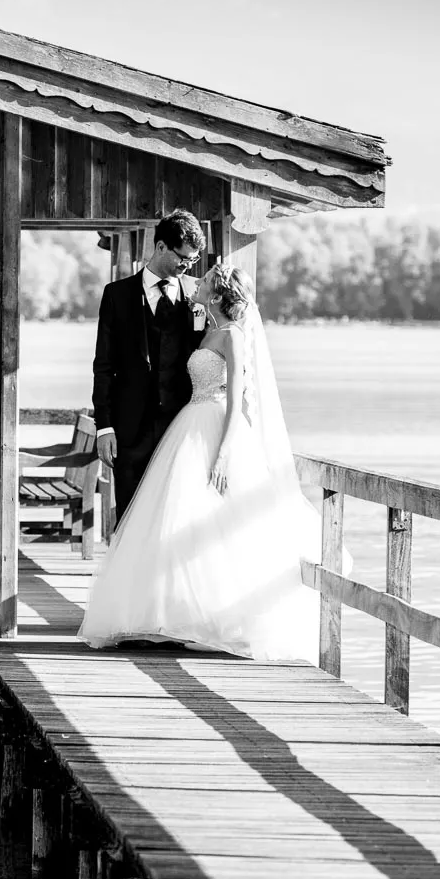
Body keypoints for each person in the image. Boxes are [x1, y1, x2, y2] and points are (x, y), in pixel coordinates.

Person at [78, 264, 321, 660]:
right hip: (188, 424)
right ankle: (173, 613)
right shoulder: (207, 328)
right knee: (176, 519)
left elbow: (237, 396)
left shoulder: (233, 336)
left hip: (214, 430)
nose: (197, 281)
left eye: (205, 280)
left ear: (218, 293)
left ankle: (218, 616)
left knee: (217, 523)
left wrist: (225, 451)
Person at [92, 210, 207, 523]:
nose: (187, 265)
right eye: (183, 257)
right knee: (129, 520)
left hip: (180, 429)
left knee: (175, 520)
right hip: (129, 431)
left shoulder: (199, 294)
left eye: (193, 260)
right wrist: (104, 427)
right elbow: (103, 365)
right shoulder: (116, 296)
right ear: (160, 248)